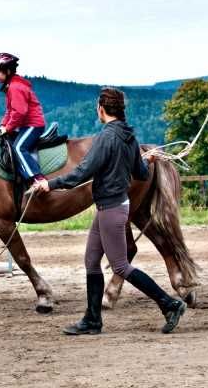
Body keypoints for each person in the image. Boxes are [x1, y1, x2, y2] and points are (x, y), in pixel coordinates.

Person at [32, 87, 187, 335]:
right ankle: (92, 320)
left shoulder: (106, 137)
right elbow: (141, 174)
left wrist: (49, 184)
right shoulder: (129, 137)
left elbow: (82, 173)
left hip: (111, 208)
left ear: (101, 109)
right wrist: (147, 161)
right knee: (91, 261)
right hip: (110, 206)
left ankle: (169, 305)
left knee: (121, 266)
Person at [0, 52, 47, 186]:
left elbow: (20, 113)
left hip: (33, 125)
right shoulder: (11, 86)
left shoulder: (15, 87)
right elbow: (10, 110)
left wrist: (8, 128)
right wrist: (3, 126)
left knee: (18, 147)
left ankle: (38, 179)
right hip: (25, 125)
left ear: (8, 71)